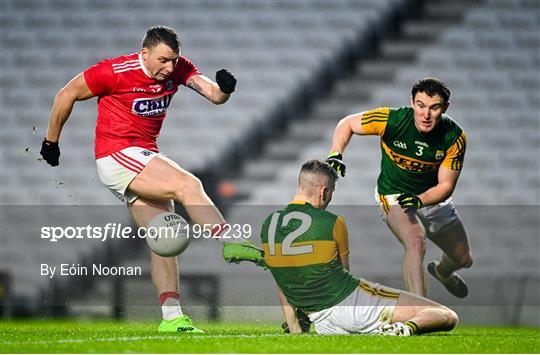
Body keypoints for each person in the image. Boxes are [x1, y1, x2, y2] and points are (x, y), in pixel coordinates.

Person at [40, 25, 262, 333]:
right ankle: (230, 241)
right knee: (189, 184)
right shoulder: (114, 71)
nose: (169, 68)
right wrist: (51, 141)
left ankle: (172, 318)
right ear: (145, 53)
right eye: (162, 60)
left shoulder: (178, 69)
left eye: (173, 60)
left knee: (165, 239)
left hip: (142, 157)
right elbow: (67, 94)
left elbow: (212, 94)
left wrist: (225, 89)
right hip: (117, 154)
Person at [261, 160, 458, 335]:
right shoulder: (332, 222)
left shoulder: (269, 223)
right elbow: (345, 272)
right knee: (445, 315)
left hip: (322, 322)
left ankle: (387, 328)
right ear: (324, 192)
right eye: (331, 194)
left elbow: (282, 281)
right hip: (355, 306)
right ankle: (403, 329)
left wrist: (295, 327)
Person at [326, 78, 472, 298]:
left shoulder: (454, 137)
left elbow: (446, 185)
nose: (426, 114)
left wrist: (420, 200)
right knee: (416, 241)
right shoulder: (391, 119)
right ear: (412, 102)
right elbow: (347, 123)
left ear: (445, 108)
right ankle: (421, 310)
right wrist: (336, 153)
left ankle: (442, 272)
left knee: (463, 259)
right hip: (394, 195)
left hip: (432, 198)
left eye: (434, 107)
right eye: (421, 105)